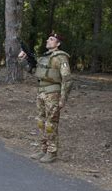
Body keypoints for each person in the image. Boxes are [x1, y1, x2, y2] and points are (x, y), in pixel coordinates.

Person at [18, 33, 72, 163]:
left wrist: (63, 98)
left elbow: (67, 79)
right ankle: (43, 148)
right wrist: (22, 60)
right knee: (41, 122)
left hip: (53, 93)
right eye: (48, 38)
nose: (48, 40)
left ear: (58, 44)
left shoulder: (61, 58)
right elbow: (32, 71)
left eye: (52, 39)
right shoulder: (44, 57)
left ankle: (52, 152)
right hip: (41, 92)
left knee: (50, 123)